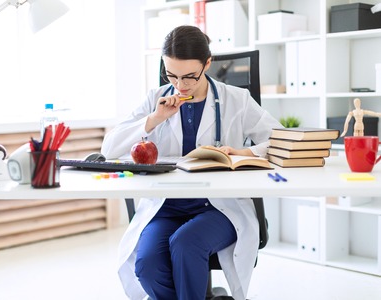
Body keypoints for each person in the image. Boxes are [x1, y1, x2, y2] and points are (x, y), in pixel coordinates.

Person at [101, 25, 282, 300]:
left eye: (189, 77)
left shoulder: (236, 100)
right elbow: (110, 148)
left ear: (207, 64)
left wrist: (243, 153)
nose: (180, 85)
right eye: (171, 75)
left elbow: (280, 140)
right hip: (167, 206)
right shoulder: (155, 99)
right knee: (148, 264)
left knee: (185, 244)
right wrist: (155, 119)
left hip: (219, 207)